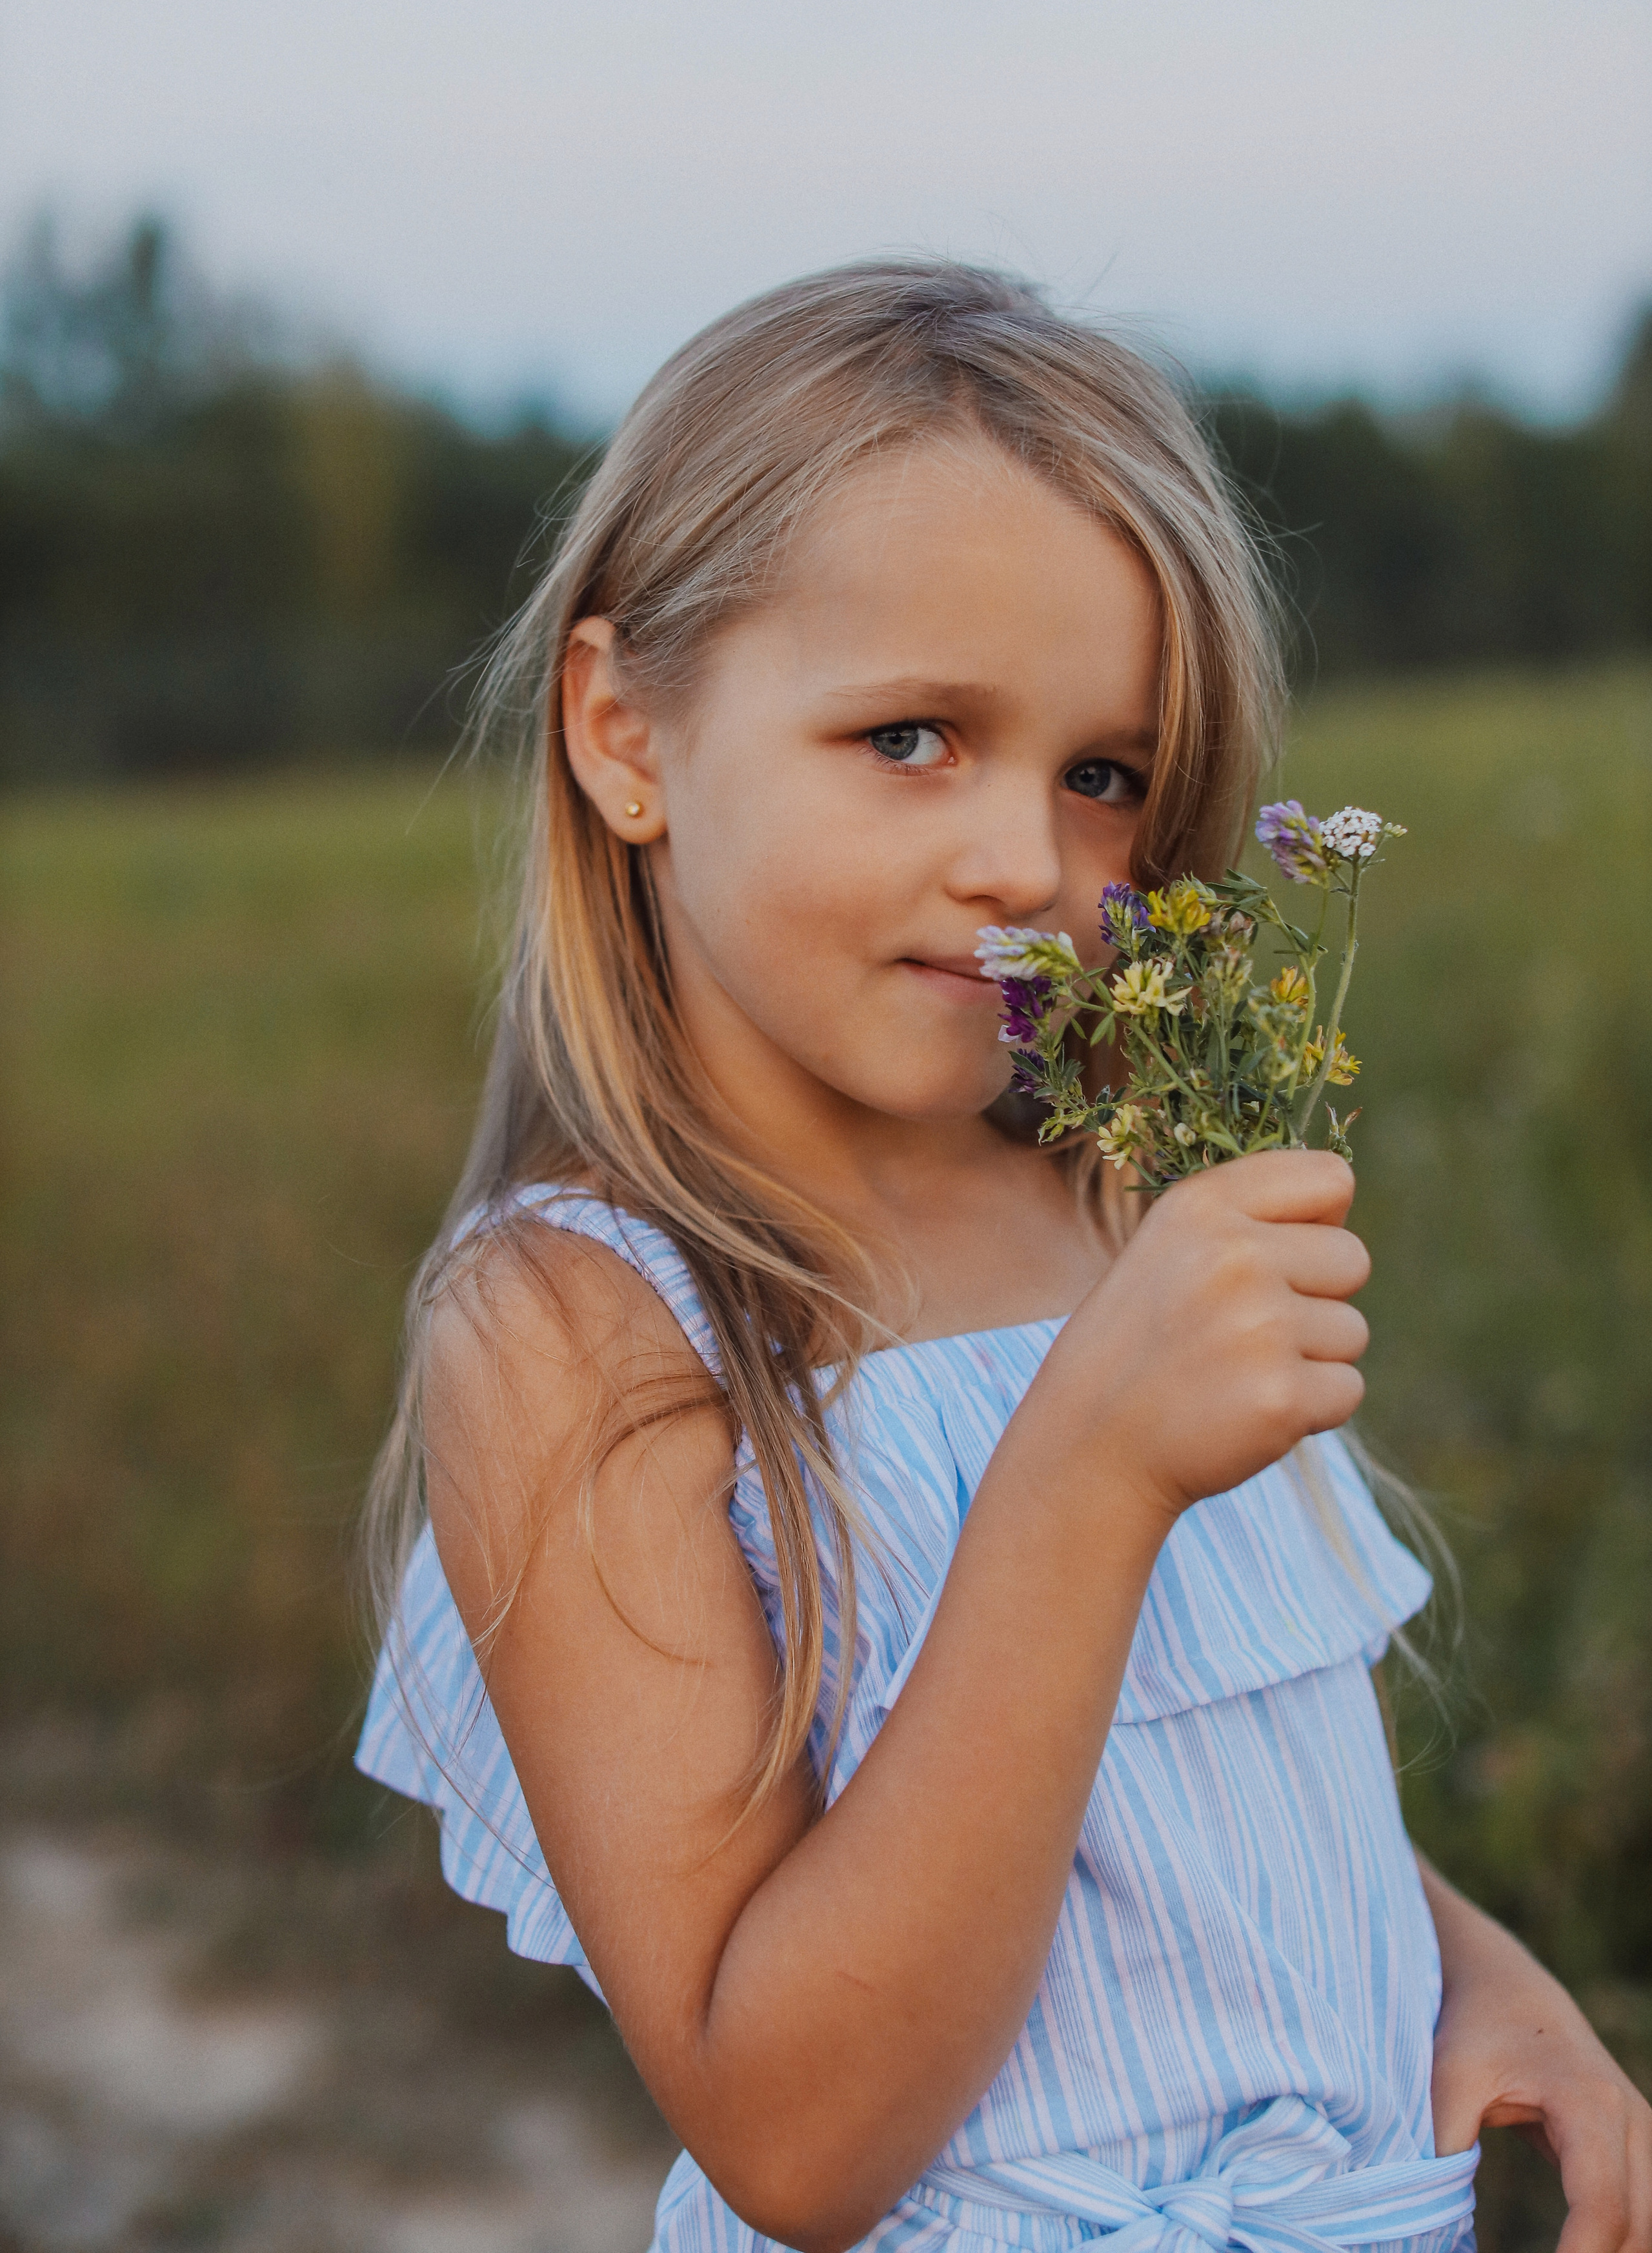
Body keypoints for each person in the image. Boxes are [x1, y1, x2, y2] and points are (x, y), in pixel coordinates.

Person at [358, 262, 1651, 2253]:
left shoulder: (1117, 1193)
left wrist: (1484, 1971)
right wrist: (1084, 1477)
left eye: (1103, 775)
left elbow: (1216, 1796)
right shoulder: (582, 1326)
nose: (1025, 865)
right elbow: (799, 2141)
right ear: (625, 733)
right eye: (910, 737)